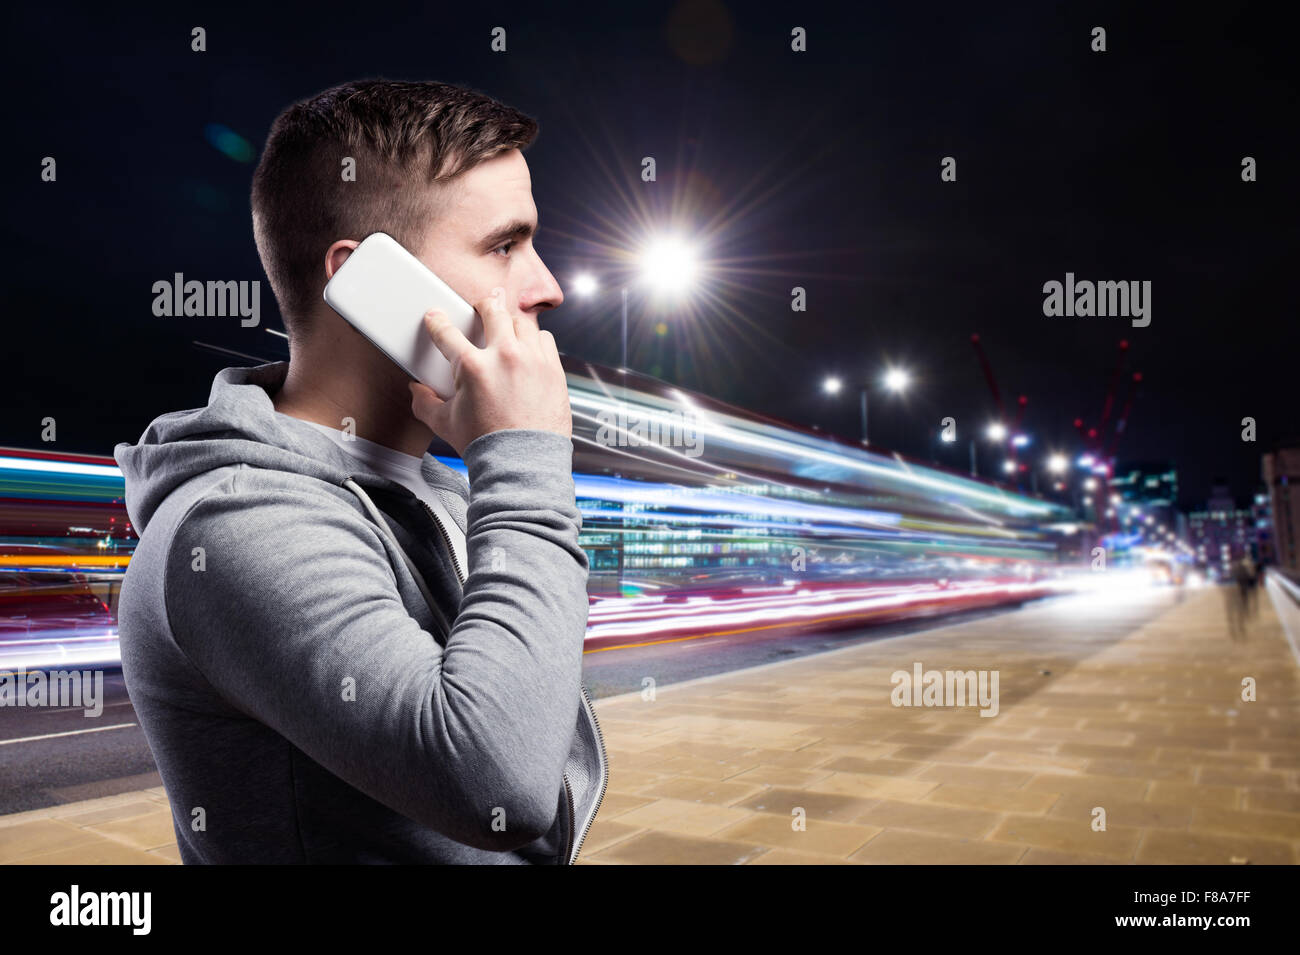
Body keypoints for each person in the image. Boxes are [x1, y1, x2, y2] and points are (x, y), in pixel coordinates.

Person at [113, 79, 606, 863]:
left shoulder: (441, 487)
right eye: (505, 245)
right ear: (366, 285)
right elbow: (500, 785)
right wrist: (527, 456)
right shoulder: (237, 521)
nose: (546, 287)